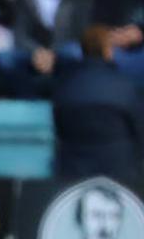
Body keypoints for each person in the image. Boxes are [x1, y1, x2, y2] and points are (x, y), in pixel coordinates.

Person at [0, 0, 94, 97]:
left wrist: (52, 54)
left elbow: (81, 33)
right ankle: (27, 103)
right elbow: (20, 32)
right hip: (32, 51)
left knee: (76, 53)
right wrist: (37, 52)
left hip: (64, 51)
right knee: (5, 59)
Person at [53, 27, 144, 180]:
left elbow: (59, 128)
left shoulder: (65, 88)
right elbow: (139, 131)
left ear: (82, 51)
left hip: (73, 176)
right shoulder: (125, 87)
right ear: (108, 51)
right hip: (122, 176)